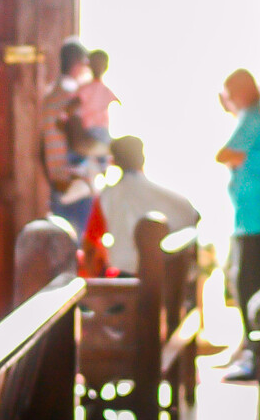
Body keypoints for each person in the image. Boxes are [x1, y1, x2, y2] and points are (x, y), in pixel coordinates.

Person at [216, 68, 260, 378]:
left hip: (259, 219)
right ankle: (252, 350)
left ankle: (258, 357)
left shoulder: (254, 116)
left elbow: (224, 154)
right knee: (250, 285)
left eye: (230, 95)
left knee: (250, 289)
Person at [91, 134, 199, 275]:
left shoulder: (106, 197)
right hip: (162, 275)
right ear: (142, 158)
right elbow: (192, 218)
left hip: (124, 276)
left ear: (113, 161)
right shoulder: (171, 198)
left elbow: (90, 245)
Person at [41, 36, 94, 235]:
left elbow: (41, 148)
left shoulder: (49, 96)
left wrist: (53, 179)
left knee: (61, 246)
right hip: (76, 183)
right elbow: (80, 142)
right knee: (79, 249)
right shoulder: (74, 96)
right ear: (78, 63)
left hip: (57, 183)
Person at [78, 48, 120, 148]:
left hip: (102, 130)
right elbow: (75, 104)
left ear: (106, 66)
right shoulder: (85, 88)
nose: (98, 67)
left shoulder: (106, 90)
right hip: (88, 130)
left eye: (100, 64)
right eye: (95, 63)